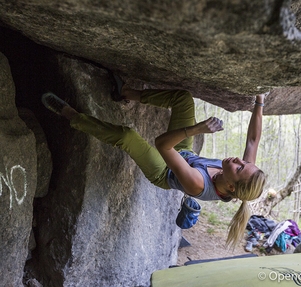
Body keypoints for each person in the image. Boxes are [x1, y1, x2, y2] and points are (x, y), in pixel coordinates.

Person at [41, 81, 267, 249]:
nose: (238, 160)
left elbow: (162, 145)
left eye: (239, 167)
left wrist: (197, 129)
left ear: (232, 188)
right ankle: (127, 93)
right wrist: (260, 99)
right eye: (244, 161)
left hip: (164, 170)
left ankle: (72, 116)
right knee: (183, 99)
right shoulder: (243, 173)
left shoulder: (198, 184)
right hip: (184, 154)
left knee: (128, 137)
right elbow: (253, 140)